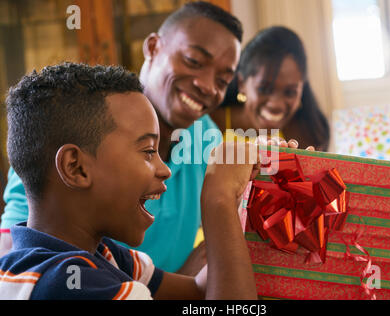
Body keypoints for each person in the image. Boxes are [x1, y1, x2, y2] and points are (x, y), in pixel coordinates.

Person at [0, 1, 242, 276]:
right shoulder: (71, 123)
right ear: (153, 47)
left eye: (223, 81)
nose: (208, 86)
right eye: (194, 61)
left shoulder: (206, 138)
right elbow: (17, 258)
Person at [0, 62, 261, 299]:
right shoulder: (70, 285)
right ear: (76, 167)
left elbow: (198, 291)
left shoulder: (101, 255)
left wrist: (243, 198)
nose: (164, 170)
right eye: (148, 152)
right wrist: (219, 199)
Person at [211, 26, 330, 151]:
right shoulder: (211, 124)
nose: (276, 104)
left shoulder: (307, 133)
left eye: (290, 92)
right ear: (242, 84)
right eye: (264, 89)